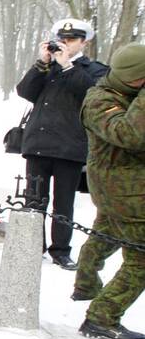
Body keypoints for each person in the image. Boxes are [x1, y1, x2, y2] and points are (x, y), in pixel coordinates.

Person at [15, 19, 108, 270]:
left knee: (63, 202)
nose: (65, 44)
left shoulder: (93, 69)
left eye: (71, 40)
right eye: (62, 39)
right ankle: (34, 245)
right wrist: (42, 62)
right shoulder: (49, 67)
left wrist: (67, 65)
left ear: (84, 42)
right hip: (38, 142)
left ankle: (61, 250)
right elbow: (25, 91)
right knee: (34, 199)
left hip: (69, 146)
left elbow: (93, 94)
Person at [72, 42, 145, 339]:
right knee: (141, 259)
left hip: (124, 189)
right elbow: (130, 135)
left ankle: (86, 285)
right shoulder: (100, 100)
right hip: (123, 190)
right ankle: (102, 317)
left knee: (104, 235)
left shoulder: (126, 94)